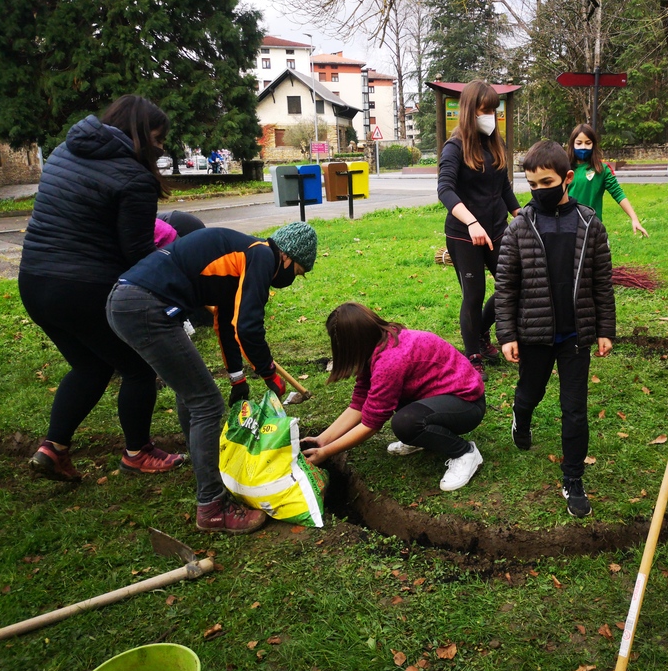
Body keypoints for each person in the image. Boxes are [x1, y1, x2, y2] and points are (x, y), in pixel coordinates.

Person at [106, 222, 317, 534]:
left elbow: (228, 323)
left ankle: (203, 468)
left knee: (190, 393)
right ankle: (212, 507)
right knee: (206, 403)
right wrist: (268, 372)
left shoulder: (244, 256)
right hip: (146, 306)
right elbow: (248, 326)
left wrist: (237, 378)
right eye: (298, 272)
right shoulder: (262, 255)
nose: (293, 278)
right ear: (286, 257)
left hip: (127, 300)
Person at [20, 94, 185, 482]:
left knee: (90, 365)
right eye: (157, 139)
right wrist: (179, 288)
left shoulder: (64, 151)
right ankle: (138, 453)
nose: (161, 149)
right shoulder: (135, 178)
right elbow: (137, 253)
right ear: (139, 134)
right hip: (82, 289)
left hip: (34, 282)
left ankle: (53, 449)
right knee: (139, 368)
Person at [495, 140, 616, 518]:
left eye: (546, 183)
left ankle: (573, 478)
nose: (538, 191)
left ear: (567, 178)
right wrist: (507, 334)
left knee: (574, 409)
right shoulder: (519, 227)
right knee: (530, 392)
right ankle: (521, 416)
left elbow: (602, 283)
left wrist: (605, 329)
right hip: (534, 333)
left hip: (575, 336)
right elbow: (506, 286)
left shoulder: (590, 224)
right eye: (531, 185)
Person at [300, 303, 486, 492]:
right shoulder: (379, 343)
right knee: (403, 416)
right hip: (438, 396)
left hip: (466, 404)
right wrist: (322, 440)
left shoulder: (390, 360)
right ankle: (422, 438)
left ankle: (465, 453)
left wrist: (326, 452)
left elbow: (371, 424)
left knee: (406, 423)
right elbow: (360, 401)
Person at [437, 80, 521, 382]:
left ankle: (482, 331)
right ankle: (472, 355)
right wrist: (471, 222)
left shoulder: (496, 143)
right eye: (484, 111)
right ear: (470, 111)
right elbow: (445, 190)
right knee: (474, 295)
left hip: (498, 229)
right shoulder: (454, 147)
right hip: (464, 234)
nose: (490, 117)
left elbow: (504, 188)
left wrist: (521, 216)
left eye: (493, 111)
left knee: (513, 285)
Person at [566, 123, 649, 237]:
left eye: (588, 143)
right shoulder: (564, 168)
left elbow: (618, 194)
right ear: (572, 144)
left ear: (593, 145)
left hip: (592, 228)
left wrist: (634, 218)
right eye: (579, 143)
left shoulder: (602, 169)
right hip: (568, 227)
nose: (583, 147)